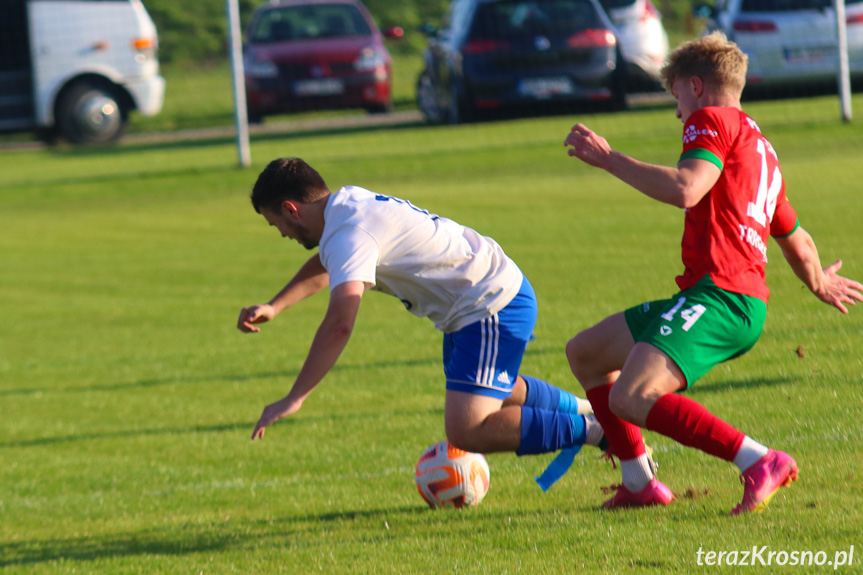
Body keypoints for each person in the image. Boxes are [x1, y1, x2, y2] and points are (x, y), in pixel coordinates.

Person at [563, 32, 863, 513]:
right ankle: (639, 481)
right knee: (586, 353)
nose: (678, 111)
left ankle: (758, 459)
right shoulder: (761, 149)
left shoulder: (712, 121)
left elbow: (687, 188)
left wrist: (608, 158)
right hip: (725, 298)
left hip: (722, 298)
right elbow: (796, 237)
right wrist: (819, 282)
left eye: (677, 94)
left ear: (697, 87)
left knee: (631, 395)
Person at [237, 157, 607, 464]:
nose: (284, 234)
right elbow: (331, 262)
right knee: (496, 390)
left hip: (489, 302)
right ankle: (589, 408)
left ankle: (601, 431)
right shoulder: (346, 206)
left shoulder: (349, 233)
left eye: (278, 224)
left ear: (291, 209)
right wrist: (275, 305)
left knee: (468, 428)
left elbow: (339, 325)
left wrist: (295, 397)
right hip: (473, 303)